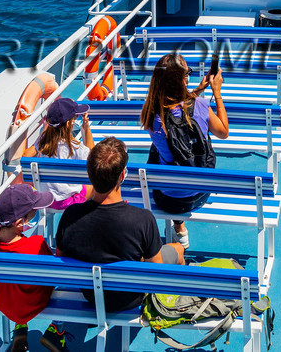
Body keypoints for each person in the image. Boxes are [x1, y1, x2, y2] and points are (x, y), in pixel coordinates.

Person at [55, 138, 185, 318]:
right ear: (122, 176)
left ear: (89, 174)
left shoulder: (70, 215)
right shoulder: (142, 219)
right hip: (130, 298)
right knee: (177, 249)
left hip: (91, 295)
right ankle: (172, 303)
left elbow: (63, 260)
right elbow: (156, 271)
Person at [139, 52, 228, 246]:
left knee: (158, 149)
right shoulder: (202, 106)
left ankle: (179, 225)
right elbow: (223, 132)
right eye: (187, 73)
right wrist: (216, 91)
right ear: (182, 80)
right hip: (199, 194)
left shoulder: (150, 114)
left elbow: (175, 108)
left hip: (167, 199)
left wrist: (196, 89)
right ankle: (179, 226)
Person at [0, 183, 69, 352]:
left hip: (5, 304)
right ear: (20, 222)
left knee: (15, 283)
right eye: (33, 211)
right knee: (64, 284)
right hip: (33, 304)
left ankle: (20, 326)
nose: (36, 212)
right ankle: (56, 330)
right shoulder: (36, 245)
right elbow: (57, 274)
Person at [18, 97, 93, 209]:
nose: (76, 120)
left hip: (46, 199)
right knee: (97, 184)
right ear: (68, 124)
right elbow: (92, 154)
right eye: (75, 118)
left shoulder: (42, 140)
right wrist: (86, 128)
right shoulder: (75, 147)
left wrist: (44, 133)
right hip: (68, 201)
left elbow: (26, 156)